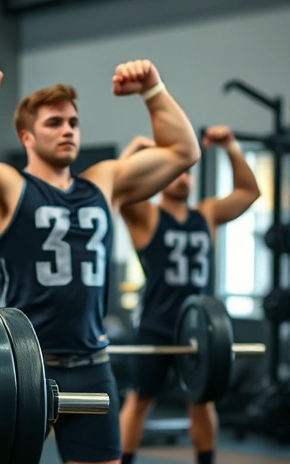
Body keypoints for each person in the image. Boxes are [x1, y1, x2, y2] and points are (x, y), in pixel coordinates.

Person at [0, 56, 200, 464]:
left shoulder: (104, 182)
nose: (67, 129)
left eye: (73, 122)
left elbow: (183, 151)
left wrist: (152, 89)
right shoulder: (6, 184)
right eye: (54, 123)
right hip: (22, 367)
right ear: (26, 137)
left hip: (92, 363)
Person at [117, 126, 259, 464]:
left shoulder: (206, 214)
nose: (183, 177)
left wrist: (231, 146)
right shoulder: (147, 216)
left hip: (197, 327)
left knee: (201, 400)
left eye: (188, 171)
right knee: (139, 400)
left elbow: (250, 191)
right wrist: (135, 147)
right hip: (155, 324)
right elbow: (115, 188)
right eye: (176, 171)